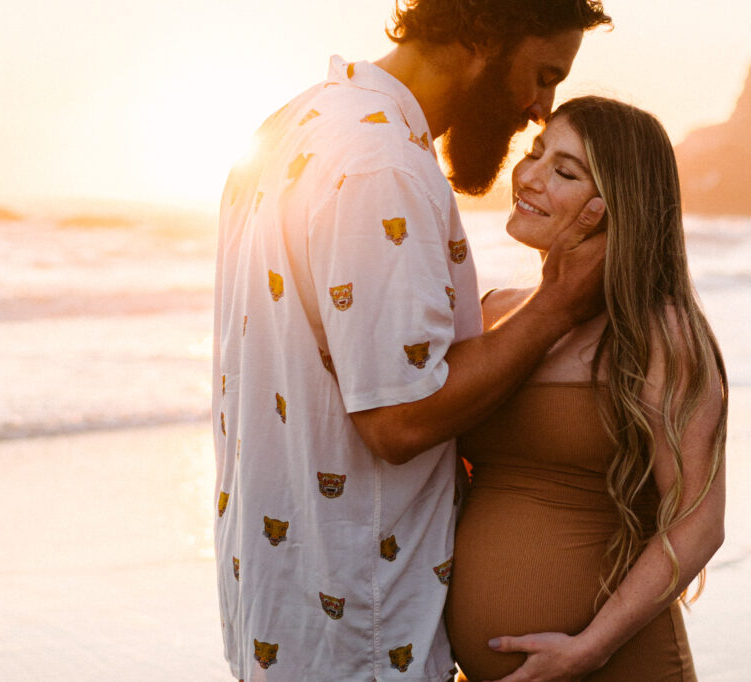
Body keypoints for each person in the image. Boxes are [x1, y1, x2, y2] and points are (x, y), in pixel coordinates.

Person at [211, 1, 612, 680]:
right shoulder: (383, 167)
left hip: (280, 620)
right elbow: (399, 418)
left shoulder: (292, 126)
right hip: (363, 634)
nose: (544, 107)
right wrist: (557, 305)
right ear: (483, 33)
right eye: (543, 74)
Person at [445, 96, 728, 681]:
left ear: (613, 206)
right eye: (535, 153)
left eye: (564, 172)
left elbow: (699, 522)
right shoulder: (493, 314)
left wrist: (590, 647)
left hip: (619, 665)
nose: (528, 177)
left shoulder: (661, 335)